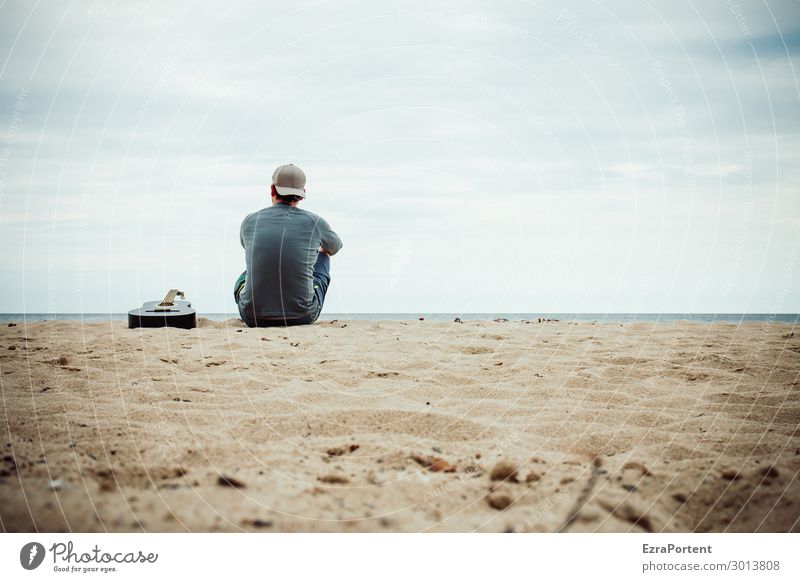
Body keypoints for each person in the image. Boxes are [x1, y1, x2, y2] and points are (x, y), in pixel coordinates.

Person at [234, 164, 342, 327]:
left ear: (272, 190)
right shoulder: (314, 222)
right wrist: (316, 252)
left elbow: (247, 246)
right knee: (323, 255)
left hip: (252, 316)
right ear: (302, 195)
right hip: (302, 315)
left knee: (250, 270)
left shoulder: (250, 221)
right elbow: (334, 247)